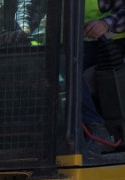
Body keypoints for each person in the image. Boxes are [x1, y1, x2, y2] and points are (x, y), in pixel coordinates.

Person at [13, 0, 125, 153]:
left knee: (67, 68)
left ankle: (96, 128)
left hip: (109, 45)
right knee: (40, 69)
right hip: (66, 45)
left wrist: (106, 24)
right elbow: (30, 5)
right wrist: (24, 28)